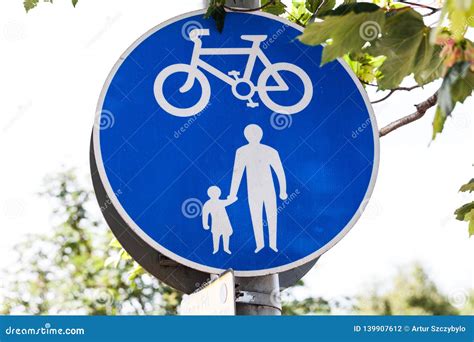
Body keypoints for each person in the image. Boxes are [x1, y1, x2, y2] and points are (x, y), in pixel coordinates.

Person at [228, 124, 287, 253]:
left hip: (269, 188)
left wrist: (283, 191)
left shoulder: (270, 151)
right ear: (246, 136)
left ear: (260, 134)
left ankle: (273, 244)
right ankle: (259, 245)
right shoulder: (241, 151)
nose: (252, 136)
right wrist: (232, 194)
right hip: (253, 190)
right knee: (256, 216)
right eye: (250, 134)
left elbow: (279, 172)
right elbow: (237, 174)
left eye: (255, 133)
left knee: (271, 216)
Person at [202, 186, 236, 254]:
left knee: (226, 235)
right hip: (215, 223)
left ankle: (226, 249)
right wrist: (205, 224)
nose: (215, 194)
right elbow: (205, 215)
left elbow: (229, 202)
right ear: (210, 194)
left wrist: (233, 198)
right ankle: (215, 249)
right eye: (213, 193)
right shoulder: (208, 204)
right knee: (216, 236)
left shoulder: (220, 202)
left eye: (216, 193)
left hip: (224, 222)